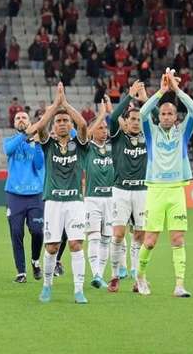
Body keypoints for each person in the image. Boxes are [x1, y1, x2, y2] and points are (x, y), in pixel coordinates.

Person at [135, 69, 193, 298]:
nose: (165, 117)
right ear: (159, 116)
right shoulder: (151, 132)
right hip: (155, 190)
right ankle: (140, 276)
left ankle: (179, 285)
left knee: (177, 238)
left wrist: (177, 90)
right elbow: (143, 112)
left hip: (176, 191)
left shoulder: (183, 132)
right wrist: (162, 91)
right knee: (150, 241)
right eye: (162, 113)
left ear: (175, 117)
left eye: (170, 113)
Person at [25, 83, 89, 304]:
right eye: (59, 121)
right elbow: (39, 126)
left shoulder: (79, 143)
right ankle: (47, 286)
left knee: (76, 245)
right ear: (55, 125)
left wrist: (66, 104)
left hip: (75, 202)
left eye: (65, 121)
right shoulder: (48, 143)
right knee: (52, 247)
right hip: (53, 201)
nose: (62, 124)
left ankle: (79, 290)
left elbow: (83, 124)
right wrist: (56, 104)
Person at [108, 81, 148, 292]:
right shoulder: (118, 136)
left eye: (139, 119)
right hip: (121, 191)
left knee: (140, 235)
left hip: (142, 191)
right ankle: (114, 275)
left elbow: (159, 117)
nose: (135, 122)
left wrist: (145, 100)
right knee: (118, 234)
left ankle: (137, 277)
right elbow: (112, 117)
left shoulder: (148, 138)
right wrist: (128, 96)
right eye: (132, 119)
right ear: (127, 121)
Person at [3, 111, 45, 283]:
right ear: (14, 124)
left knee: (37, 231)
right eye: (17, 118)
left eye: (24, 118)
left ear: (30, 122)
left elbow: (39, 164)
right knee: (16, 232)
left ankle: (35, 260)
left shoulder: (38, 143)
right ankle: (21, 272)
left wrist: (35, 144)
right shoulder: (10, 141)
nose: (21, 120)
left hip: (35, 194)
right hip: (14, 194)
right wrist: (25, 135)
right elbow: (8, 150)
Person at [84, 102, 114, 290]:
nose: (104, 131)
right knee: (94, 236)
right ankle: (95, 273)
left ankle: (100, 275)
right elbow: (85, 135)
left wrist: (110, 114)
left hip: (112, 198)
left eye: (105, 128)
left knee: (106, 238)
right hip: (92, 198)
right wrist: (102, 115)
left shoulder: (113, 147)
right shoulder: (87, 147)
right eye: (100, 128)